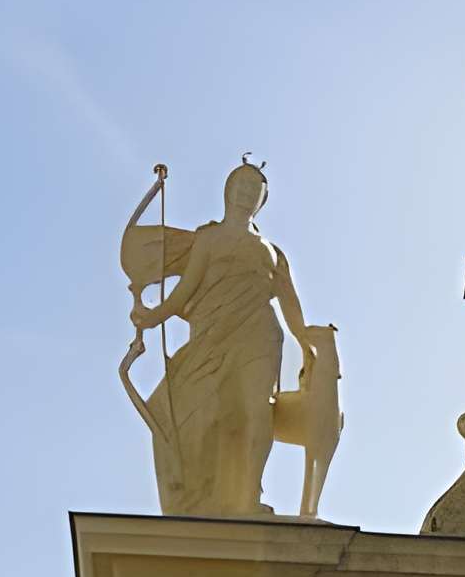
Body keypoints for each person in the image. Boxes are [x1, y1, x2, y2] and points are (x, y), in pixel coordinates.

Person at [128, 162, 322, 517]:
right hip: (213, 336)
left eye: (255, 189)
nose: (247, 193)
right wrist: (154, 315)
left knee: (255, 410)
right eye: (242, 185)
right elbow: (185, 289)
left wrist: (306, 343)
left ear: (261, 201)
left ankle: (247, 496)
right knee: (204, 412)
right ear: (228, 191)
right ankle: (203, 493)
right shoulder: (209, 239)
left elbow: (290, 301)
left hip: (260, 334)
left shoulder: (271, 250)